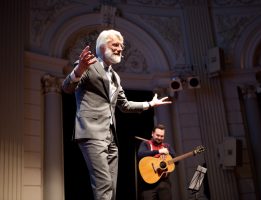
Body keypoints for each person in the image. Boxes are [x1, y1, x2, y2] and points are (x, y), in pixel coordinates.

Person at [61, 29, 172, 200]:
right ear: (102, 47)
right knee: (103, 183)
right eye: (115, 45)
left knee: (111, 187)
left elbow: (125, 105)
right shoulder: (88, 66)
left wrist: (150, 104)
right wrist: (79, 70)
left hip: (110, 137)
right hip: (91, 132)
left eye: (122, 46)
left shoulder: (115, 77)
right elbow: (67, 88)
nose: (120, 49)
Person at [137, 124, 176, 200]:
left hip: (164, 183)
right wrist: (159, 151)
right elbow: (140, 154)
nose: (159, 138)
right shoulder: (146, 144)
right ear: (152, 134)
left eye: (162, 136)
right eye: (157, 135)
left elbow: (176, 161)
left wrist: (169, 154)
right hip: (148, 185)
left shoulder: (167, 146)